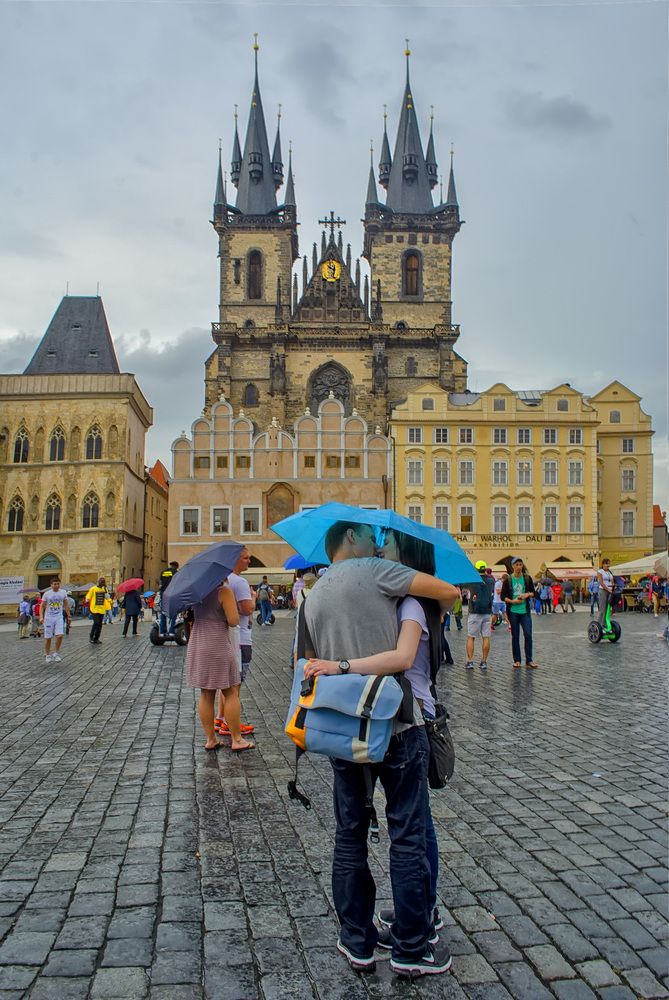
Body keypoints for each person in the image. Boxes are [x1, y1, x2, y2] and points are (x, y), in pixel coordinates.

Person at [302, 520, 457, 977]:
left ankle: (357, 941)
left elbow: (304, 667)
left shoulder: (312, 595)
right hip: (397, 724)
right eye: (371, 535)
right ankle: (411, 949)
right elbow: (447, 592)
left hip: (344, 730)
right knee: (407, 834)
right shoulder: (376, 572)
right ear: (351, 537)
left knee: (349, 834)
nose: (376, 541)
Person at [185, 578, 254, 753]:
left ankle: (210, 739)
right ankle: (237, 739)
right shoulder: (223, 592)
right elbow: (233, 620)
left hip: (198, 642)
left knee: (206, 693)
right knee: (230, 692)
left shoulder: (197, 593)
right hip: (217, 643)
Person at [216, 547, 255, 737]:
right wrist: (253, 598)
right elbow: (247, 609)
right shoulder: (240, 582)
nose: (249, 561)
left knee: (226, 684)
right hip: (241, 638)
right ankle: (231, 725)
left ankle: (221, 718)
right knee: (235, 686)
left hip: (226, 638)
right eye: (245, 558)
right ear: (235, 560)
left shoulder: (221, 581)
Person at [501, 557, 538, 669]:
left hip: (525, 611)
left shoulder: (527, 578)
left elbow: (533, 593)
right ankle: (517, 660)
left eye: (520, 565)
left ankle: (529, 660)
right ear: (513, 566)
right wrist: (513, 601)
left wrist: (527, 595)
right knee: (515, 636)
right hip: (513, 612)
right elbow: (503, 596)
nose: (519, 567)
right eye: (517, 565)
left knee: (528, 634)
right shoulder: (508, 580)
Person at [465, 560, 495, 670]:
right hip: (487, 611)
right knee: (486, 637)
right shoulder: (491, 581)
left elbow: (465, 589)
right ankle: (484, 662)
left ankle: (470, 662)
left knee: (471, 637)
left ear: (476, 569)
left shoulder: (472, 580)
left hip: (475, 611)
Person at [40, 577, 71, 664]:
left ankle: (56, 653)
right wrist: (41, 617)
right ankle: (47, 654)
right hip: (49, 617)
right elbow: (42, 606)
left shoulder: (63, 592)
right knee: (48, 637)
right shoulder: (47, 594)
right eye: (55, 584)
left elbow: (66, 605)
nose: (56, 586)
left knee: (60, 636)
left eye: (58, 584)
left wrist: (69, 616)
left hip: (59, 616)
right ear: (51, 585)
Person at [159, 561, 180, 636]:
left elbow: (160, 584)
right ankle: (172, 631)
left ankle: (163, 632)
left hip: (164, 595)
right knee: (174, 613)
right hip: (173, 595)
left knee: (163, 613)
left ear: (170, 565)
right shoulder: (177, 573)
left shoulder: (163, 572)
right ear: (176, 566)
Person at [86, 578, 108, 644]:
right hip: (94, 609)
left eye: (103, 582)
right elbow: (88, 598)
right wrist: (88, 604)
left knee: (100, 624)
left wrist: (105, 590)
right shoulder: (93, 589)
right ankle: (91, 636)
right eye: (101, 582)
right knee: (96, 622)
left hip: (102, 609)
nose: (102, 583)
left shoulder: (104, 589)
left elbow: (107, 598)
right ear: (98, 582)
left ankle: (96, 638)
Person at [596, 558, 614, 624]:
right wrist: (608, 589)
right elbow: (601, 583)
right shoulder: (600, 571)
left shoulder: (610, 572)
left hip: (610, 591)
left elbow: (612, 582)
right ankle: (599, 623)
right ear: (603, 564)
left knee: (607, 609)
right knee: (602, 608)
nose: (608, 565)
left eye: (609, 563)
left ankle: (605, 623)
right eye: (606, 563)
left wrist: (613, 587)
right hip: (603, 591)